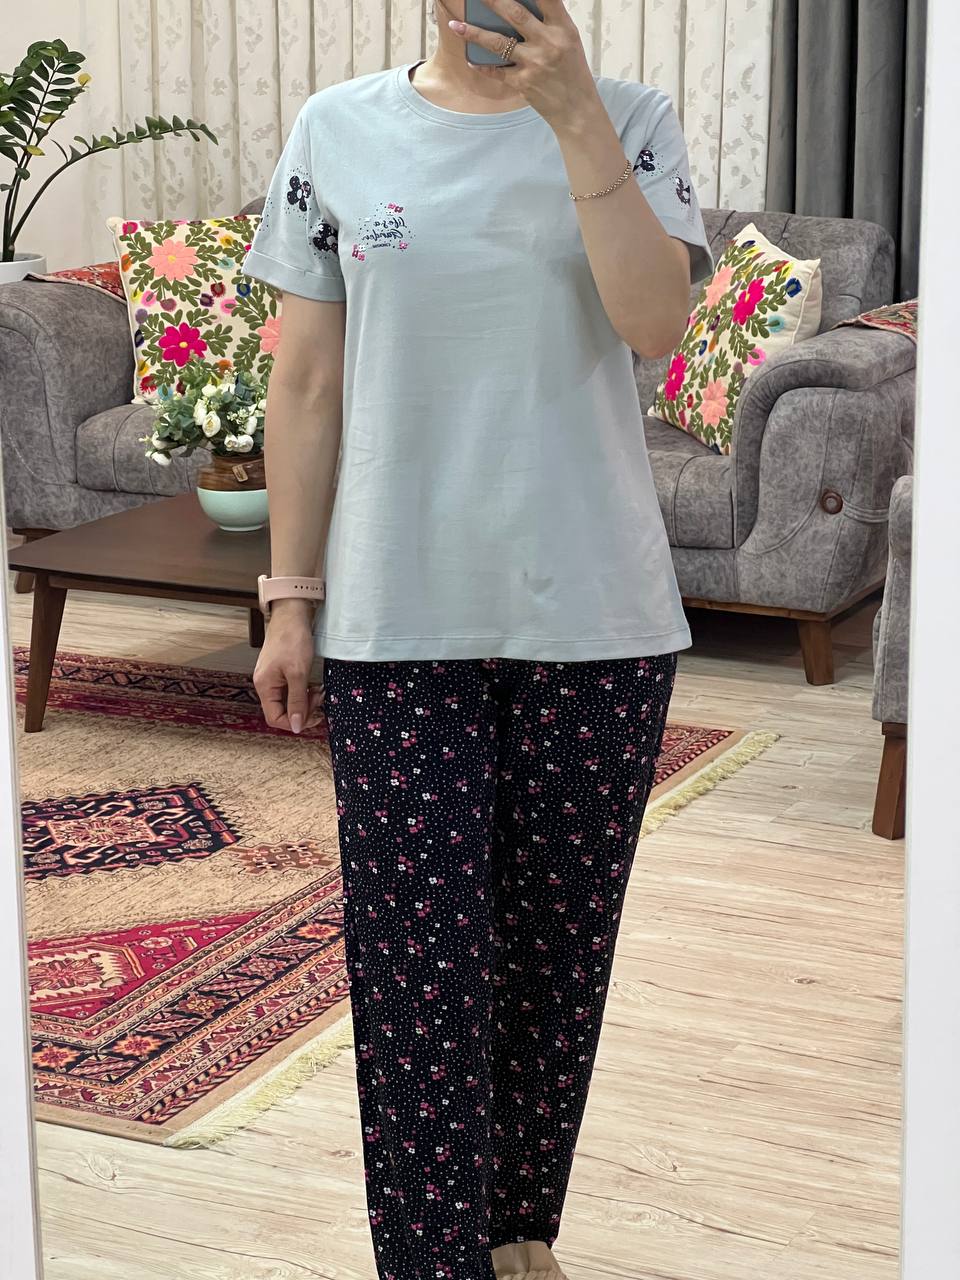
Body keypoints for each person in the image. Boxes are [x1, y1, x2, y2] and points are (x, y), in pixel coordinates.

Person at [242, 0, 713, 1276]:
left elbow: (655, 324)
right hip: (396, 620)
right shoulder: (336, 130)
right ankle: (430, 1259)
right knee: (417, 980)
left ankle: (516, 1235)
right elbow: (307, 381)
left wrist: (575, 117)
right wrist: (291, 597)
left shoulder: (635, 122)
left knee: (557, 968)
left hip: (599, 618)